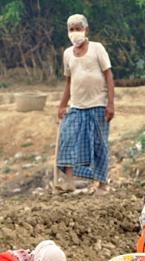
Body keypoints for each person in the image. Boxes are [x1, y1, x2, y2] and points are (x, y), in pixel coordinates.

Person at [56, 14, 115, 195]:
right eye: (71, 29)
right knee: (68, 139)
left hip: (98, 104)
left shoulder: (97, 48)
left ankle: (102, 185)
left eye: (78, 28)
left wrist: (110, 104)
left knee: (99, 144)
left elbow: (108, 75)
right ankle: (69, 181)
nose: (75, 32)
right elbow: (69, 81)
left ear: (85, 30)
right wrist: (62, 105)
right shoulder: (68, 54)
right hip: (76, 106)